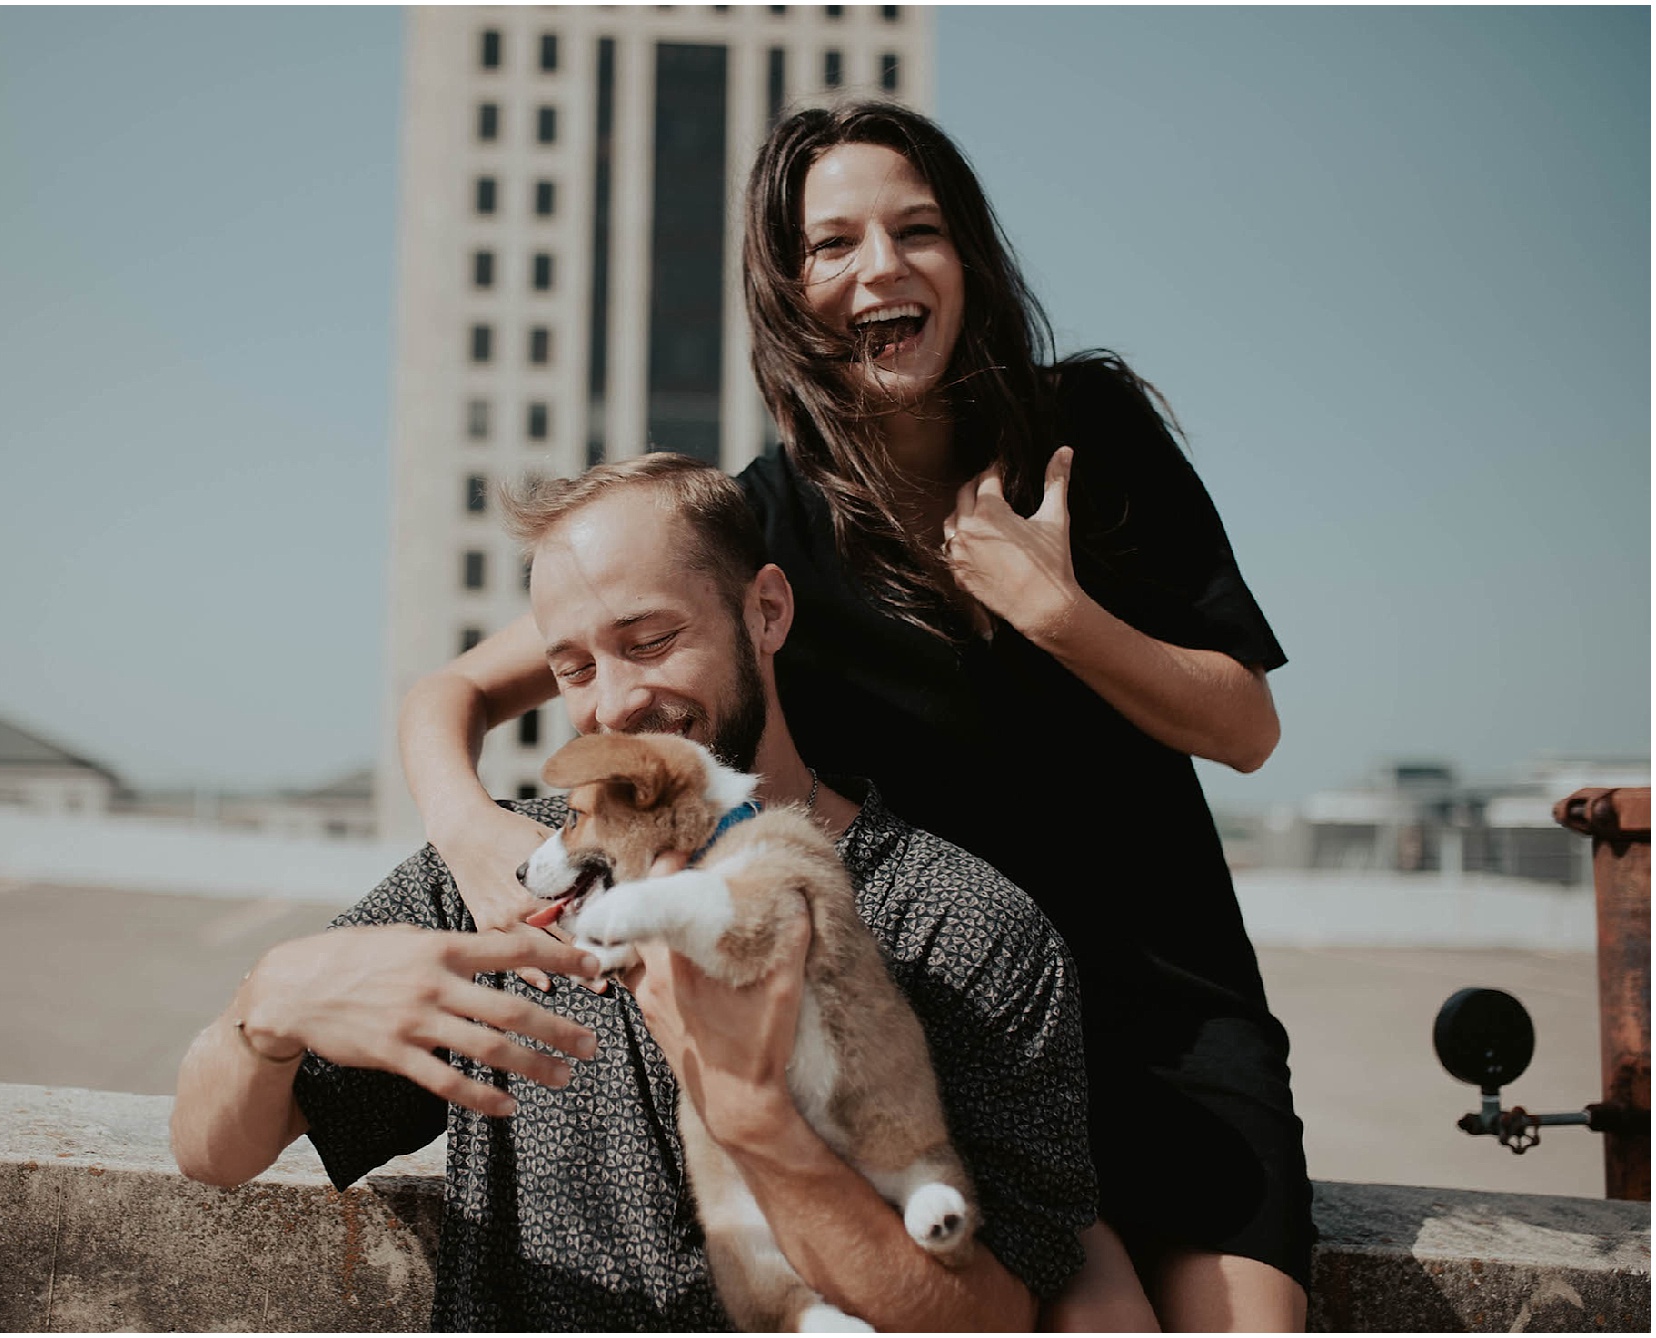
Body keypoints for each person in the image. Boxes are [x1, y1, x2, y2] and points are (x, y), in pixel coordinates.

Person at [399, 101, 1312, 1331]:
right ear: (787, 289)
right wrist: (470, 838)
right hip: (960, 1030)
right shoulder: (761, 528)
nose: (879, 267)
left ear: (966, 258)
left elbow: (1244, 725)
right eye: (831, 245)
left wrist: (1052, 610)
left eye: (916, 229)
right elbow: (453, 689)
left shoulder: (1081, 436)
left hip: (1172, 1031)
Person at [173, 457, 1097, 1331]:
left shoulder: (966, 928)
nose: (613, 703)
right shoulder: (501, 872)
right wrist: (271, 1008)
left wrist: (757, 1123)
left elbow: (994, 1316)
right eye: (572, 668)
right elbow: (212, 1150)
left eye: (650, 643)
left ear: (766, 613)